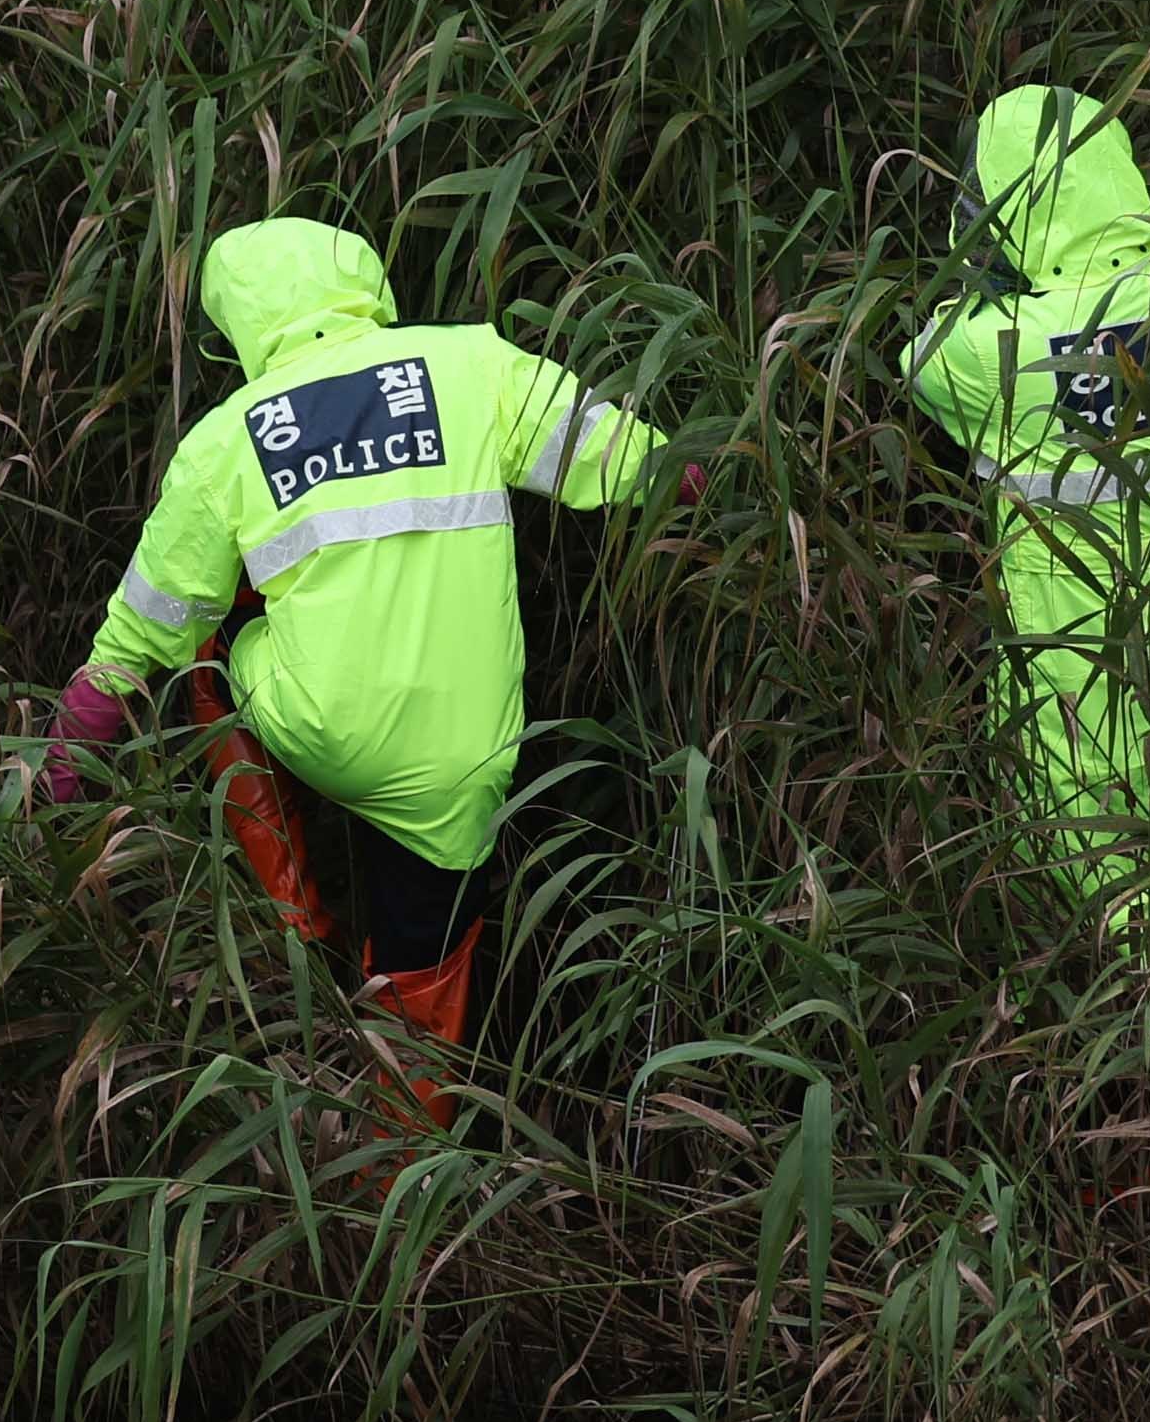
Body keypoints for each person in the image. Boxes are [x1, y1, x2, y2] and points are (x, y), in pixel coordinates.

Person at [38, 216, 686, 1119]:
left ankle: (292, 923)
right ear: (364, 282)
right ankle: (411, 1156)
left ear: (239, 325)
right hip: (472, 753)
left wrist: (64, 765)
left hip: (322, 731)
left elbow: (140, 630)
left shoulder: (228, 439)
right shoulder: (469, 363)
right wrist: (727, 484)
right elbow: (629, 459)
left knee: (205, 639)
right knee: (428, 949)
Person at [906, 84, 1150, 1042]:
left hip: (1078, 688)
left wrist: (985, 268)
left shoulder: (1000, 350)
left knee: (1110, 913)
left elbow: (921, 357)